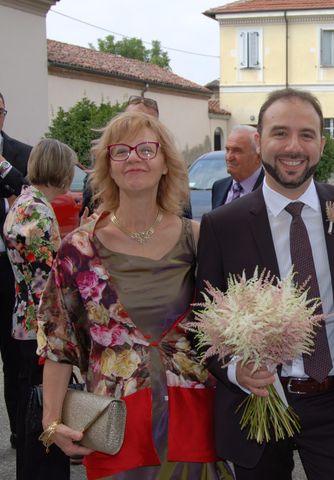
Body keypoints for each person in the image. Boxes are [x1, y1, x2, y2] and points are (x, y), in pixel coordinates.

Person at [197, 88, 334, 480]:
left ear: (321, 145)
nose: (293, 146)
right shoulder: (223, 225)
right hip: (260, 402)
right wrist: (236, 371)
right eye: (280, 133)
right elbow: (201, 322)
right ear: (260, 141)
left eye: (306, 135)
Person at [36, 112, 229, 480]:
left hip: (193, 419)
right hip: (114, 425)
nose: (134, 158)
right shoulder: (77, 249)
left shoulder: (199, 239)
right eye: (120, 151)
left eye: (146, 149)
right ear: (108, 166)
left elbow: (229, 329)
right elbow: (57, 343)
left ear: (165, 164)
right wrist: (51, 420)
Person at [4, 138, 76, 479]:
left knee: (29, 409)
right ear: (59, 169)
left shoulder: (23, 202)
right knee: (41, 416)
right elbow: (52, 273)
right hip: (39, 327)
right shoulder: (37, 210)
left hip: (24, 320)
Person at [0, 91, 31, 450]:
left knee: (13, 358)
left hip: (8, 270)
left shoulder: (19, 152)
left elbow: (28, 189)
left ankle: (19, 429)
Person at [210, 125, 264, 209]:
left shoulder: (272, 190)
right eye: (227, 150)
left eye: (237, 151)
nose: (229, 157)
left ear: (258, 156)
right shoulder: (219, 187)